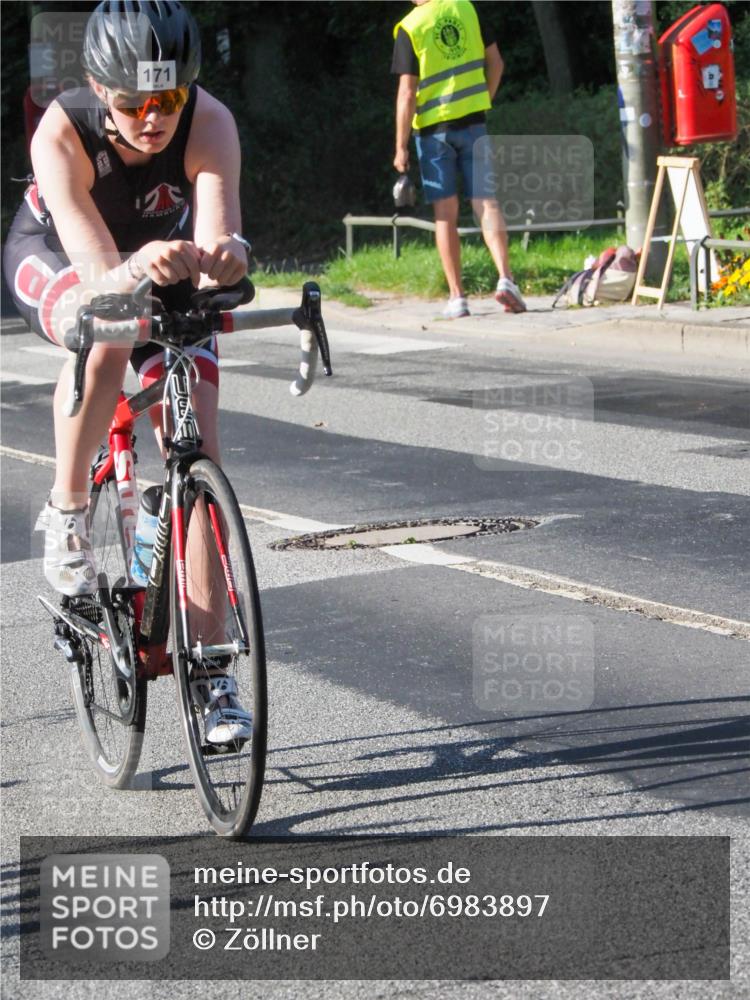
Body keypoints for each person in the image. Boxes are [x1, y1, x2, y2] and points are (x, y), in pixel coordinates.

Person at [2, 0, 251, 743]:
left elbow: (217, 233)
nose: (152, 117)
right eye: (132, 102)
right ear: (96, 88)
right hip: (64, 258)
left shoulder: (210, 121)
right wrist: (133, 268)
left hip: (159, 261)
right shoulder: (61, 132)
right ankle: (70, 512)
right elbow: (96, 269)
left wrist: (227, 255)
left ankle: (212, 674)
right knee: (108, 333)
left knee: (198, 445)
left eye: (168, 99)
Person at [391, 0, 526, 318]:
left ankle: (457, 297)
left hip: (433, 134)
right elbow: (496, 63)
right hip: (474, 124)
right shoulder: (468, 8)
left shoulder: (411, 26)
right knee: (486, 202)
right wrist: (484, 100)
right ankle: (506, 279)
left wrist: (401, 147)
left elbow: (407, 93)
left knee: (445, 214)